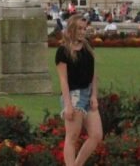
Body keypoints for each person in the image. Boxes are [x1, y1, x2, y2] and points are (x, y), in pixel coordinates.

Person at [55, 14, 102, 166]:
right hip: (74, 95)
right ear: (72, 30)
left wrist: (94, 95)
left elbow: (94, 74)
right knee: (72, 137)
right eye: (79, 29)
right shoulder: (63, 51)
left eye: (84, 28)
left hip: (88, 93)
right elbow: (63, 79)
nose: (83, 31)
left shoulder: (88, 48)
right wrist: (68, 104)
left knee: (96, 135)